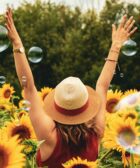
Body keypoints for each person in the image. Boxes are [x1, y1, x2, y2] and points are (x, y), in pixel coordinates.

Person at [5, 7, 137, 168]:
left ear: (56, 105)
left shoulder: (49, 135)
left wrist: (17, 44)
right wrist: (115, 46)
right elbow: (102, 86)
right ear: (86, 105)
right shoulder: (96, 132)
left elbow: (28, 87)